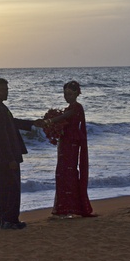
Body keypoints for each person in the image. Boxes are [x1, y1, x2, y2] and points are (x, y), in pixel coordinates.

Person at [0, 78, 44, 229]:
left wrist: (32, 123)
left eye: (6, 89)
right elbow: (2, 137)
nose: (6, 92)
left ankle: (4, 219)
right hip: (6, 155)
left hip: (4, 155)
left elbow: (13, 122)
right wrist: (10, 158)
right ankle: (9, 220)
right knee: (11, 187)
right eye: (3, 90)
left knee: (6, 186)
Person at [43, 81, 94, 218]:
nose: (67, 96)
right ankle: (64, 209)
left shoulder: (77, 107)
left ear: (77, 93)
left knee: (69, 173)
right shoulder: (69, 108)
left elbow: (67, 116)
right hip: (64, 144)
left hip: (72, 144)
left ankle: (71, 209)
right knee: (62, 173)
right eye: (65, 94)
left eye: (70, 94)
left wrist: (50, 121)